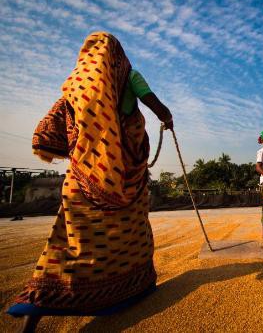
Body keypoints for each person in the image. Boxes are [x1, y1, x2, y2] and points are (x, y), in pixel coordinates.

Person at [7, 32, 173, 332]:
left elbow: (57, 123)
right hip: (123, 174)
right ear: (118, 54)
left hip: (81, 177)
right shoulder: (130, 75)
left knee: (66, 241)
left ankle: (38, 304)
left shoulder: (78, 83)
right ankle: (137, 284)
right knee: (132, 232)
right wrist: (167, 119)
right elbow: (158, 107)